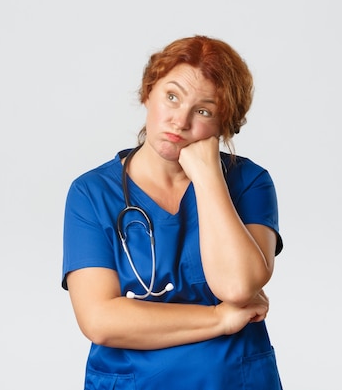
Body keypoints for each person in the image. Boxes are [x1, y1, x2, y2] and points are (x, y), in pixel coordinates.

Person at [62, 35, 284, 389]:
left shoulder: (249, 184)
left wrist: (208, 176)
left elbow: (238, 286)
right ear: (148, 92)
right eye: (172, 96)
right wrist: (219, 318)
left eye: (204, 111)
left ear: (224, 125)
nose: (180, 121)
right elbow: (100, 319)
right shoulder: (91, 193)